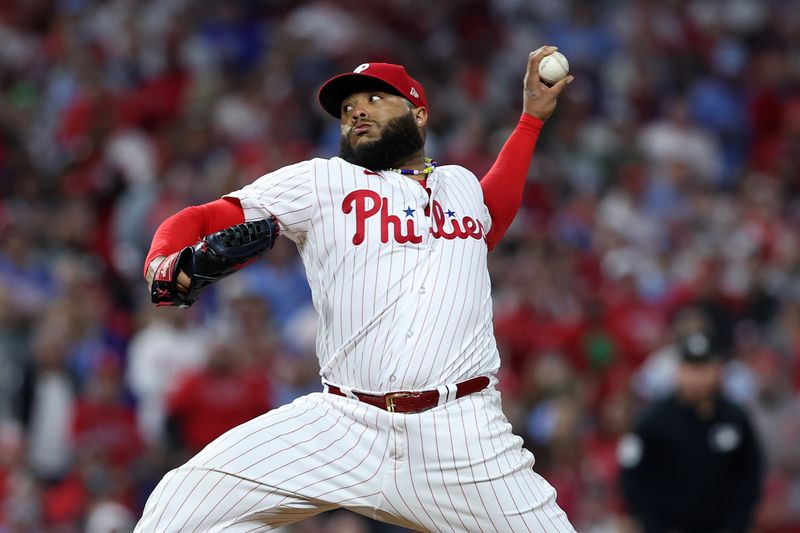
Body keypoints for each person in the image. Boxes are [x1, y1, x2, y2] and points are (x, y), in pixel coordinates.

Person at [135, 47, 576, 532]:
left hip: (461, 434)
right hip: (343, 423)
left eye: (374, 99)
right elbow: (202, 218)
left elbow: (494, 213)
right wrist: (162, 262)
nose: (357, 111)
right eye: (347, 109)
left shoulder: (460, 185)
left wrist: (530, 121)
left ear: (419, 114)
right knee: (177, 508)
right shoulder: (322, 180)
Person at [619, 333, 763, 533]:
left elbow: (750, 474)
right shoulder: (652, 421)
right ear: (678, 371)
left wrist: (737, 525)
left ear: (718, 369)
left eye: (703, 367)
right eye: (690, 368)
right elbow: (633, 479)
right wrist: (654, 526)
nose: (697, 376)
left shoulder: (734, 417)